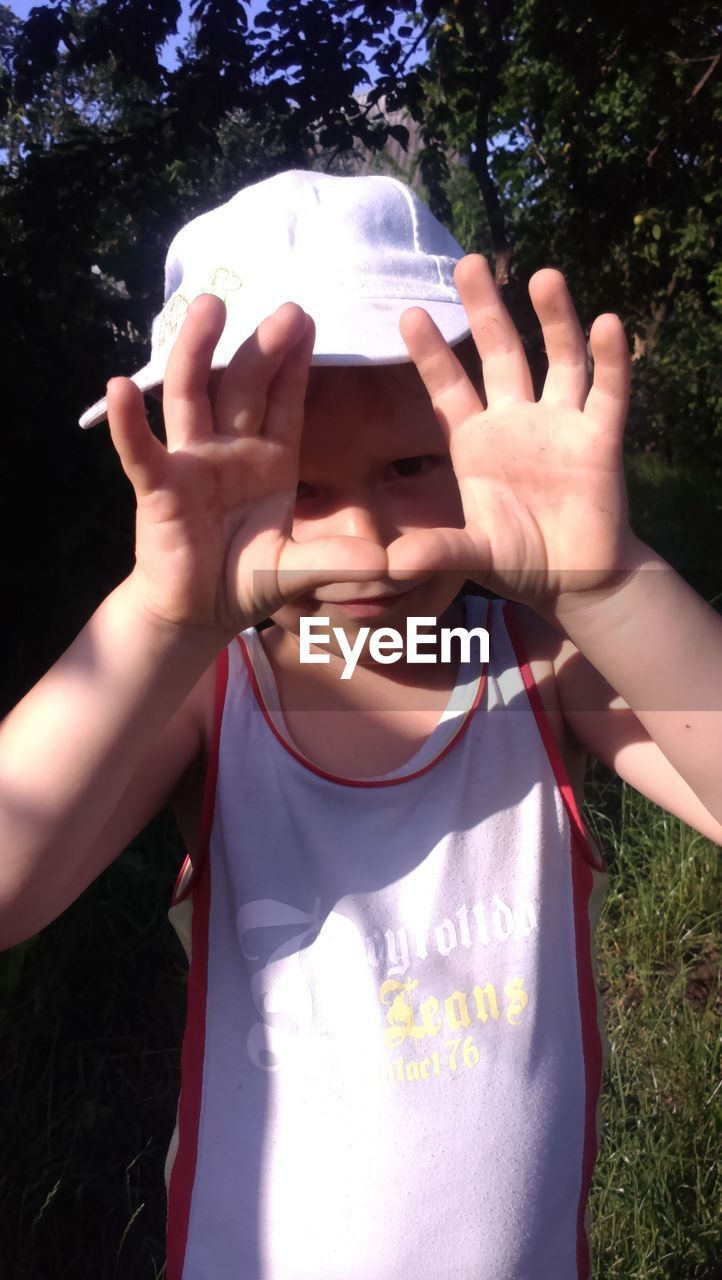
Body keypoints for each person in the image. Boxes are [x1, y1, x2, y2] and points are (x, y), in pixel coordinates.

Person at [0, 170, 720, 1279]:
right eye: (290, 486)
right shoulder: (209, 688)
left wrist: (608, 586)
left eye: (409, 465)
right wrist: (157, 619)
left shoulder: (539, 668)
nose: (360, 543)